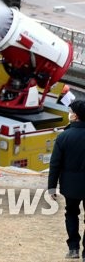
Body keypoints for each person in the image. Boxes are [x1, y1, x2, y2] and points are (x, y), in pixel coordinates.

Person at [50, 99, 85, 258]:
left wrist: (51, 187)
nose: (69, 114)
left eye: (71, 112)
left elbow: (55, 164)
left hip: (70, 186)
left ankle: (73, 249)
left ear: (76, 116)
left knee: (71, 213)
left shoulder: (64, 136)